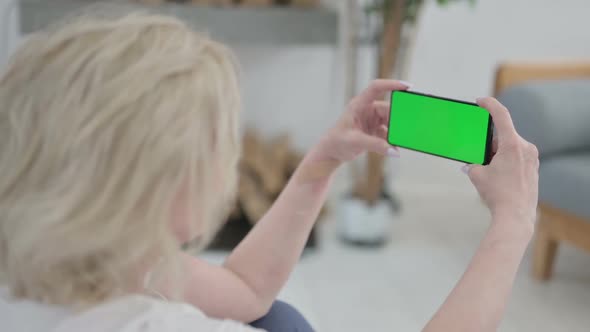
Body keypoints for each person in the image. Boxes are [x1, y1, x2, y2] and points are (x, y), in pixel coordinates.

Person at [0, 12, 539, 332]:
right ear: (152, 186)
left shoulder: (85, 259)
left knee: (275, 316)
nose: (230, 158)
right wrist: (512, 221)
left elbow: (245, 288)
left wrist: (319, 164)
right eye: (217, 141)